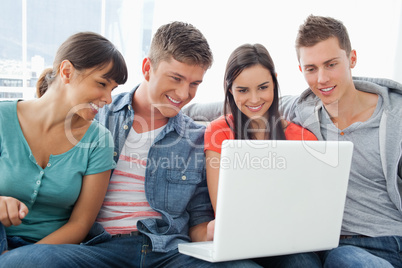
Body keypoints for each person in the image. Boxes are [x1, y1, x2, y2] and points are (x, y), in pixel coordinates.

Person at [0, 22, 261, 268]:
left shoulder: (196, 138)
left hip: (168, 252)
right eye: (176, 78)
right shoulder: (96, 114)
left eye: (194, 84)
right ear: (147, 68)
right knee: (33, 261)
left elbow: (198, 217)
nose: (183, 94)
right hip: (100, 249)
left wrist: (213, 231)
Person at [280, 15, 402, 268]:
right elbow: (251, 101)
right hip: (331, 244)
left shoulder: (395, 116)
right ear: (301, 70)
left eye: (331, 64)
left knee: (343, 258)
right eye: (311, 69)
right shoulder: (303, 110)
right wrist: (179, 108)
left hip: (390, 240)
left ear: (352, 59)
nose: (322, 79)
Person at [0, 32, 127, 254]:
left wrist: (20, 260)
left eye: (113, 89)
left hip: (49, 253)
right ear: (66, 72)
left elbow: (80, 224)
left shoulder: (98, 141)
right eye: (101, 83)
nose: (108, 99)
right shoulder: (3, 118)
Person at [204, 43, 321, 268]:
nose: (255, 99)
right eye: (243, 90)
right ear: (230, 89)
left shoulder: (303, 138)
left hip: (288, 242)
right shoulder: (219, 131)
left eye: (263, 87)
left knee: (304, 263)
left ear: (275, 82)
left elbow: (308, 208)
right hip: (237, 241)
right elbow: (223, 208)